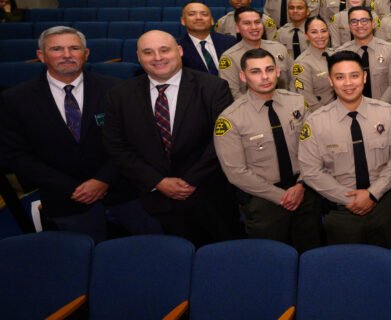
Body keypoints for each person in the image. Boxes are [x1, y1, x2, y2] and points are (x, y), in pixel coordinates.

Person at [0, 27, 161, 242]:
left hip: (123, 187)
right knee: (82, 254)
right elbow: (16, 155)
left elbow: (134, 140)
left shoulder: (116, 90)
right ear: (41, 55)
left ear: (86, 54)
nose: (67, 55)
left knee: (153, 244)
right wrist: (71, 188)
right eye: (57, 49)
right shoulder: (15, 99)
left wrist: (103, 180)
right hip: (64, 196)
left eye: (74, 48)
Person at [103, 31, 237, 245]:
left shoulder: (213, 87)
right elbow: (116, 145)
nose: (157, 58)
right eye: (148, 52)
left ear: (180, 51)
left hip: (208, 196)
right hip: (151, 199)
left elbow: (223, 139)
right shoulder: (119, 95)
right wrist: (157, 181)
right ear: (138, 57)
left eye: (164, 50)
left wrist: (191, 181)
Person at [298, 50, 391, 251]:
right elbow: (310, 171)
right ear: (330, 81)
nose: (348, 83)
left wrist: (373, 194)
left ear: (364, 77)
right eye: (340, 77)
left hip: (383, 208)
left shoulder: (386, 112)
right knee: (346, 268)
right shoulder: (315, 122)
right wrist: (350, 199)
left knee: (390, 264)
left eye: (354, 75)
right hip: (341, 213)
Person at [213, 48, 320, 251]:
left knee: (311, 252)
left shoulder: (297, 102)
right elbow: (236, 172)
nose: (264, 77)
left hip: (304, 191)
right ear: (243, 76)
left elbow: (314, 149)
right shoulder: (231, 119)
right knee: (271, 258)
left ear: (278, 71)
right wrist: (280, 196)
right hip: (263, 201)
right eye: (255, 72)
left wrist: (301, 185)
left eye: (269, 69)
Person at [218, 7, 289, 99]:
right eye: (247, 23)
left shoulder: (279, 48)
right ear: (237, 28)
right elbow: (233, 93)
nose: (254, 27)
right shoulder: (229, 58)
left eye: (257, 22)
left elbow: (292, 79)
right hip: (249, 106)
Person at [339, 5, 391, 105]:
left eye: (364, 20)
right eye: (354, 21)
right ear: (349, 25)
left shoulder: (388, 50)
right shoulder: (342, 53)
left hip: (384, 107)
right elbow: (341, 87)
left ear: (373, 23)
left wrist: (378, 108)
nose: (359, 25)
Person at [291, 17, 337, 110]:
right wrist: (327, 116)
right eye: (314, 32)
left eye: (323, 31)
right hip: (321, 113)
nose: (320, 36)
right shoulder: (301, 64)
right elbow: (308, 101)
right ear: (306, 36)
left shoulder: (336, 55)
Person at [178, 1, 234, 75]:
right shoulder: (176, 47)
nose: (199, 18)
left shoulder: (230, 42)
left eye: (204, 14)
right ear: (183, 21)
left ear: (212, 21)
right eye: (192, 14)